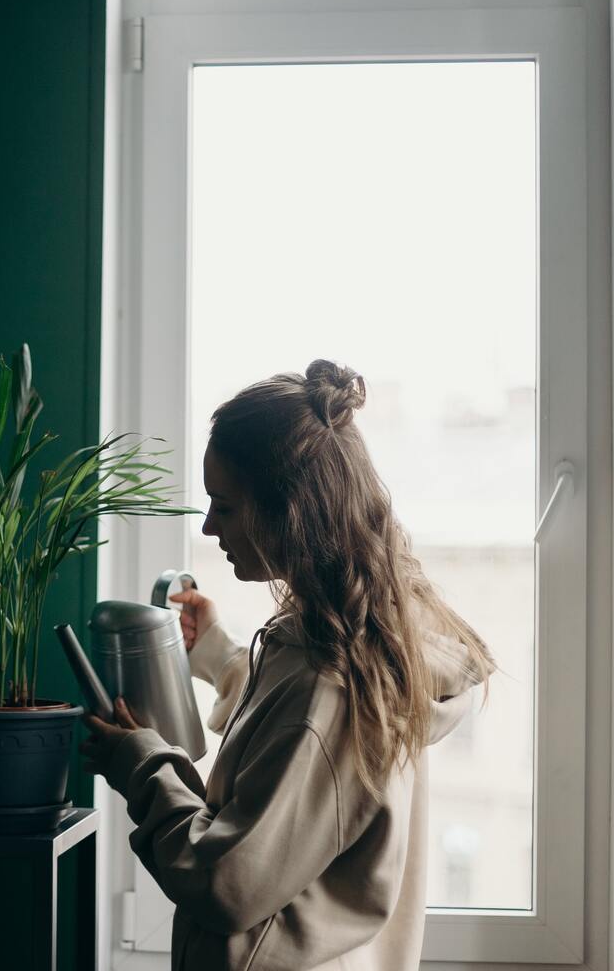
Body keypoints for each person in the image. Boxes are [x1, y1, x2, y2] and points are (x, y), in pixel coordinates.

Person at [80, 359, 495, 971]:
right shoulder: (372, 638)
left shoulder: (326, 685)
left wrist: (143, 767)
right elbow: (305, 761)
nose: (208, 525)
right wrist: (221, 655)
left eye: (224, 505)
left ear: (290, 510)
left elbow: (227, 883)